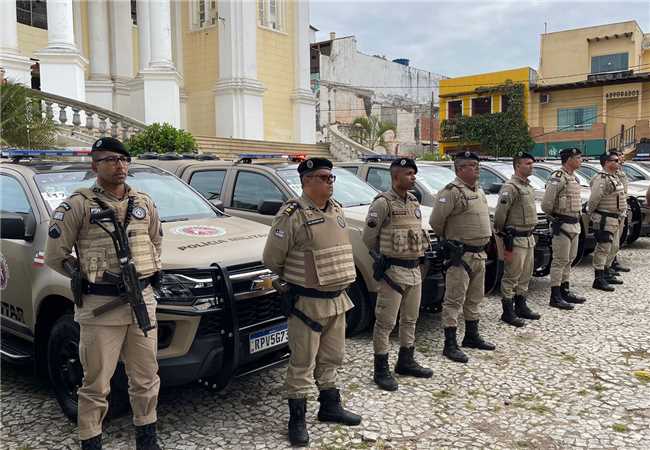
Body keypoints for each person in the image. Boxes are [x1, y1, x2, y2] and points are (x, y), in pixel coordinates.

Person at [45, 137, 162, 450]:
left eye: (124, 160)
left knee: (146, 377)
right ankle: (91, 441)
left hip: (141, 303)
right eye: (110, 160)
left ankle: (147, 438)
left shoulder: (144, 203)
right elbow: (56, 255)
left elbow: (155, 243)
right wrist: (83, 278)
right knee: (96, 383)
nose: (119, 166)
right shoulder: (78, 205)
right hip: (100, 306)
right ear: (95, 165)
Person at [263, 157, 361, 447]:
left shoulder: (337, 210)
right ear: (306, 182)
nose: (330, 181)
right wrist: (296, 281)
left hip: (337, 300)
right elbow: (271, 258)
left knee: (332, 358)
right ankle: (297, 419)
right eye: (323, 177)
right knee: (302, 362)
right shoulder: (292, 214)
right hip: (307, 304)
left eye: (331, 177)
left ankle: (330, 406)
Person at [362, 158, 433, 392]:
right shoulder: (383, 203)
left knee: (410, 319)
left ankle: (406, 360)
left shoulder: (413, 201)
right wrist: (380, 259)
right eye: (408, 173)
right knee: (385, 322)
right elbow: (369, 238)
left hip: (414, 270)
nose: (413, 177)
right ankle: (381, 369)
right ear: (395, 177)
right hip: (393, 271)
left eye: (414, 173)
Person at [429, 150, 495, 364]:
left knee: (475, 298)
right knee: (454, 300)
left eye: (477, 165)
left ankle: (471, 336)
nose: (476, 168)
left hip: (479, 253)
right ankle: (450, 344)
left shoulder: (478, 190)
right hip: (460, 256)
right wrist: (451, 240)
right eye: (471, 165)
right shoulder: (451, 192)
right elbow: (436, 222)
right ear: (459, 169)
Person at [493, 151, 541, 327]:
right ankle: (508, 311)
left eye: (531, 163)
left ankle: (521, 305)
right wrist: (504, 234)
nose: (531, 166)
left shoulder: (527, 186)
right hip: (516, 238)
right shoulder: (511, 187)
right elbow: (500, 215)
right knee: (511, 276)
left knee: (525, 274)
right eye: (527, 163)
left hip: (528, 238)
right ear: (517, 165)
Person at [541, 147, 587, 310]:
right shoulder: (558, 177)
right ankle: (555, 295)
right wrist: (556, 219)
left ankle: (564, 290)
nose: (581, 160)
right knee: (559, 260)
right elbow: (546, 204)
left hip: (574, 223)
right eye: (578, 157)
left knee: (569, 259)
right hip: (562, 224)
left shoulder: (574, 178)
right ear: (569, 160)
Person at [587, 151, 627, 291]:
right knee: (603, 248)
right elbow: (594, 200)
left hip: (615, 218)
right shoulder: (601, 179)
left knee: (613, 247)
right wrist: (591, 214)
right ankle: (598, 278)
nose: (618, 162)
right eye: (614, 160)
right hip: (605, 218)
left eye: (618, 160)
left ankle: (606, 272)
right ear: (606, 163)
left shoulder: (614, 177)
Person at [609, 152, 631, 275]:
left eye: (621, 156)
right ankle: (609, 265)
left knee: (618, 239)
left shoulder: (621, 172)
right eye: (618, 156)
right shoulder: (612, 175)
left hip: (621, 208)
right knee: (612, 241)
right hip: (614, 211)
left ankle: (614, 261)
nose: (621, 158)